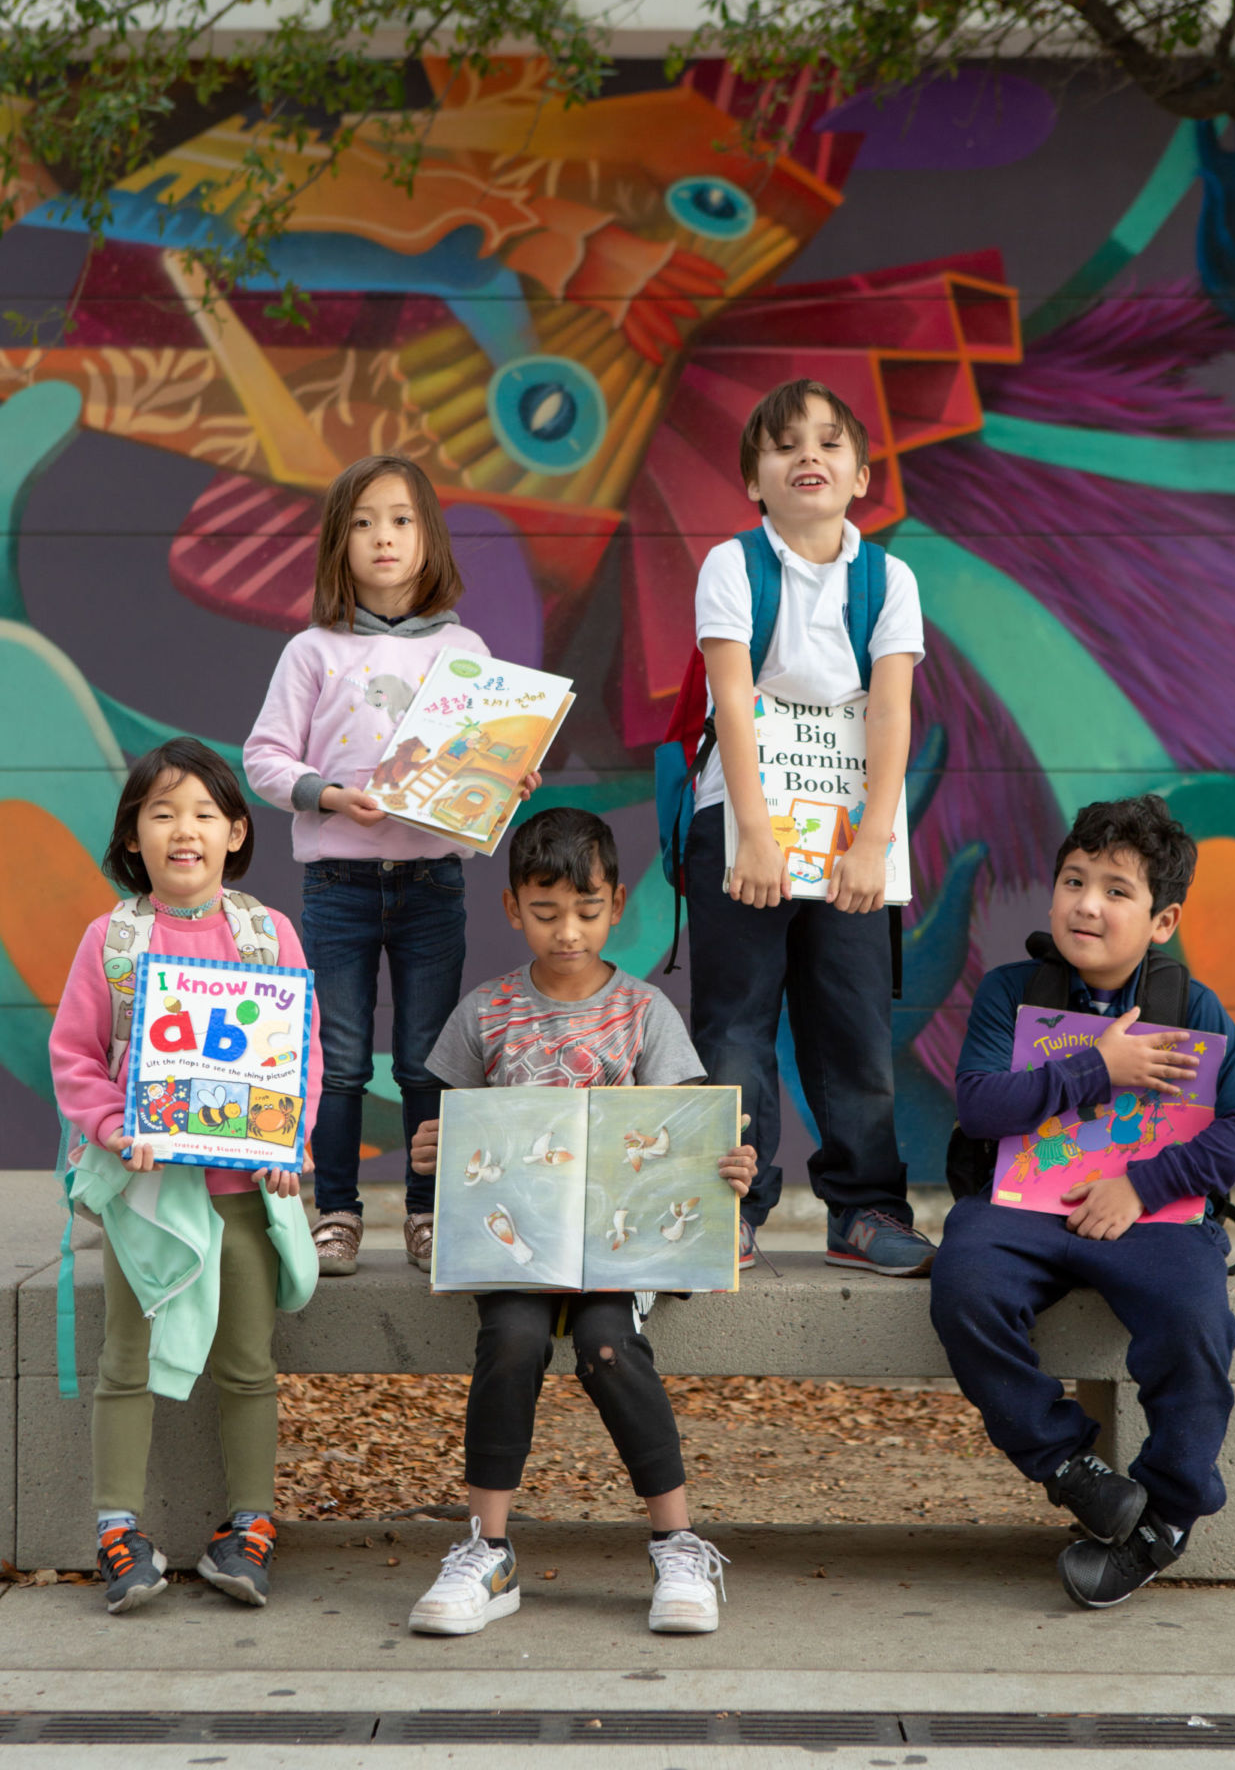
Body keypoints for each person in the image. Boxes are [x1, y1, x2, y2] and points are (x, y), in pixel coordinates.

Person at [406, 807, 756, 1637]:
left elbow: (680, 1140)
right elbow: (454, 1131)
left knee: (606, 1342)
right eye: (545, 910)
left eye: (587, 912)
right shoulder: (484, 1014)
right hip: (517, 1250)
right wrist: (435, 1149)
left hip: (618, 1257)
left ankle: (677, 1541)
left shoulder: (645, 1014)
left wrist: (726, 1168)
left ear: (618, 904)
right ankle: (487, 1552)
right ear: (511, 908)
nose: (567, 931)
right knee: (515, 1340)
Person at [931, 795, 1235, 1608]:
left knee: (1196, 1324)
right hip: (1021, 1208)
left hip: (1147, 1217)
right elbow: (978, 1105)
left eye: (1117, 890)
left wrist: (1141, 1186)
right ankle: (1067, 1468)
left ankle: (1165, 1515)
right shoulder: (1012, 990)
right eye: (1075, 881)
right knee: (964, 1286)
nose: (1088, 903)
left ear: (1161, 921)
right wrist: (1096, 1066)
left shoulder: (1190, 1007)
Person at [244, 454, 538, 1277]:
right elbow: (263, 759)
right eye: (364, 521)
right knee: (335, 1061)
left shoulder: (463, 647)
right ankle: (335, 1212)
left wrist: (507, 779)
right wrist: (331, 797)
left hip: (431, 887)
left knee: (422, 1059)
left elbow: (483, 772)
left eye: (402, 520)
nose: (383, 537)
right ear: (339, 542)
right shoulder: (313, 650)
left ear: (428, 537)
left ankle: (423, 1212)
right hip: (336, 887)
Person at [48, 739, 321, 1614]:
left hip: (241, 1192)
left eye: (204, 813)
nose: (184, 831)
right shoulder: (113, 939)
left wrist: (289, 1141)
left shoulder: (264, 933)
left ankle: (249, 1527)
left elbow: (302, 1054)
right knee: (126, 1358)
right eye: (161, 814)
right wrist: (114, 1125)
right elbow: (75, 1057)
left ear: (237, 831)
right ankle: (118, 1531)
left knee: (247, 1363)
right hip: (146, 1198)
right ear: (133, 837)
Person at [684, 378, 933, 1275]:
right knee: (734, 1024)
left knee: (853, 1022)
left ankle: (863, 1210)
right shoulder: (730, 565)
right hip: (743, 818)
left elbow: (893, 715)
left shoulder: (889, 579)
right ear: (754, 478)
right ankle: (734, 1208)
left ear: (861, 474)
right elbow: (734, 701)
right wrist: (754, 834)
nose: (809, 457)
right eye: (785, 445)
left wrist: (870, 843)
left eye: (829, 443)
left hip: (853, 833)